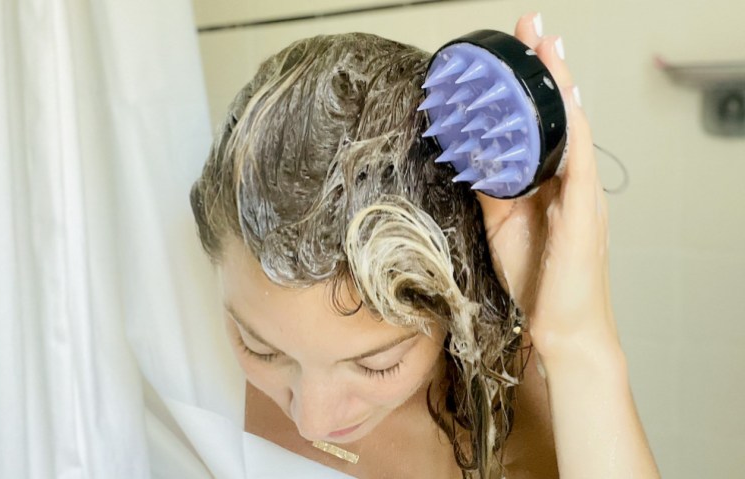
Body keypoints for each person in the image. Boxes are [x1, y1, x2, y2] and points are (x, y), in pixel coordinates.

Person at [189, 12, 659, 479]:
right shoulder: (187, 354)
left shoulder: (506, 418)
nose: (313, 419)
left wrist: (579, 339)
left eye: (377, 365)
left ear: (457, 309)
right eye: (260, 349)